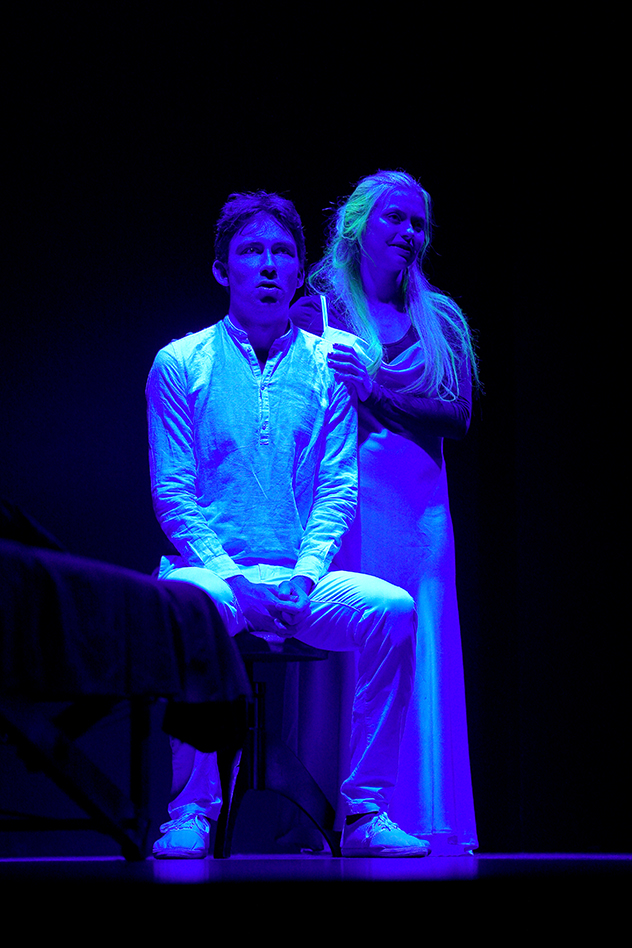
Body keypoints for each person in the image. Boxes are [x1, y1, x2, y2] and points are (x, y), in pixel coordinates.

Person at [146, 190, 430, 858]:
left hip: (302, 581)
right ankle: (192, 809)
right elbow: (174, 497)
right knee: (190, 604)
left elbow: (337, 490)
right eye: (252, 251)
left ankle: (365, 811)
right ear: (223, 269)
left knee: (393, 610)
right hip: (213, 577)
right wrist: (234, 581)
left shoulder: (330, 363)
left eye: (282, 252)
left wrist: (305, 577)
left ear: (301, 270)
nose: (269, 265)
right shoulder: (180, 362)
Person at [290, 170, 479, 854]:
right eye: (395, 218)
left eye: (418, 223)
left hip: (420, 503)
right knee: (357, 639)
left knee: (419, 635)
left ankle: (418, 808)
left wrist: (375, 391)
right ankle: (332, 813)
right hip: (350, 495)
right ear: (357, 226)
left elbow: (456, 416)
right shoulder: (319, 308)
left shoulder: (440, 317)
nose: (408, 232)